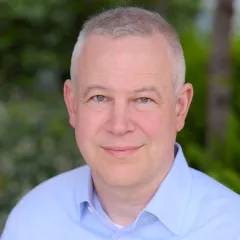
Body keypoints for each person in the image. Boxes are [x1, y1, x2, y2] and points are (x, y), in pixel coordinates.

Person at [1, 6, 240, 240]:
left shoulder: (231, 227)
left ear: (180, 107)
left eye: (144, 99)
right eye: (100, 98)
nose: (119, 125)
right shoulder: (32, 220)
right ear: (72, 105)